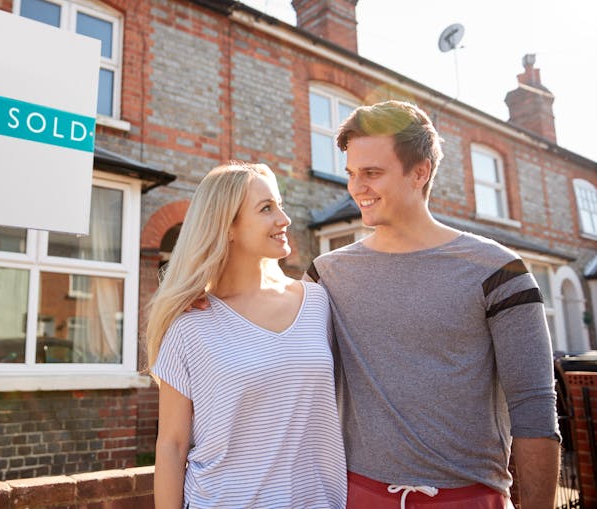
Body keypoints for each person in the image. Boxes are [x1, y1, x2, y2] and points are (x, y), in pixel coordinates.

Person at [305, 100, 560, 509]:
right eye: (352, 173)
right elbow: (277, 347)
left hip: (471, 499)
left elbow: (534, 412)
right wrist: (211, 297)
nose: (356, 187)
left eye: (372, 173)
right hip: (356, 496)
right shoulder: (325, 275)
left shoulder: (497, 270)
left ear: (419, 172)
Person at [148, 162, 347, 509]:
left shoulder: (317, 302)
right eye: (266, 208)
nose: (284, 219)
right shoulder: (191, 325)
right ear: (227, 227)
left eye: (280, 205)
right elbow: (172, 445)